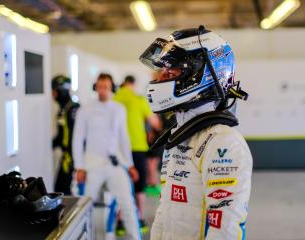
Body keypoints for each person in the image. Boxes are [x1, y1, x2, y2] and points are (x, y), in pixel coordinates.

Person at [139, 25, 252, 239]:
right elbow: (165, 211)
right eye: (163, 71)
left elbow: (224, 231)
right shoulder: (179, 135)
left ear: (203, 74)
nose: (162, 78)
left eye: (172, 71)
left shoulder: (223, 143)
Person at [72, 73, 141, 240]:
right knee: (85, 207)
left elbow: (123, 138)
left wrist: (130, 164)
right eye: (100, 87)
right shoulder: (85, 110)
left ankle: (135, 237)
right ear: (96, 87)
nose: (103, 91)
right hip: (91, 164)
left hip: (114, 164)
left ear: (112, 88)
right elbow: (77, 139)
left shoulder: (119, 109)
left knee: (128, 205)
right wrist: (79, 167)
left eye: (106, 87)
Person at [113, 75, 161, 233]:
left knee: (122, 185)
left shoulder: (114, 99)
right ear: (133, 84)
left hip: (118, 150)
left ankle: (120, 223)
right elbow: (155, 123)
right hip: (138, 148)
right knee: (139, 187)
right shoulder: (138, 99)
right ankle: (140, 220)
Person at [52, 75, 79, 195]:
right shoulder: (63, 109)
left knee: (62, 190)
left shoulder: (73, 108)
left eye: (54, 91)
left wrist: (75, 159)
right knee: (60, 188)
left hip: (70, 157)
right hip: (66, 155)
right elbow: (61, 134)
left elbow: (76, 135)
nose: (53, 94)